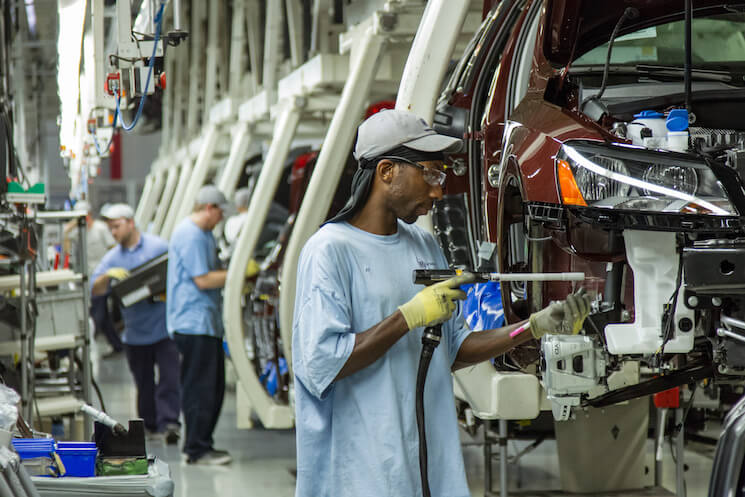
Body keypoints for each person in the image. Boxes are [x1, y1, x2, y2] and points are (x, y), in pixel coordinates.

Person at [292, 109, 591, 497]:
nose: (437, 190)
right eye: (430, 174)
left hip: (425, 466)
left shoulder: (423, 245)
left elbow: (452, 349)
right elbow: (322, 363)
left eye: (441, 176)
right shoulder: (329, 252)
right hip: (359, 471)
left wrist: (532, 327)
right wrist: (408, 316)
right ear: (386, 172)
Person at [91, 203, 181, 444]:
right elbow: (95, 289)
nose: (114, 233)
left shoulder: (158, 247)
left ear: (131, 223)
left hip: (164, 328)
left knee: (170, 379)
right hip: (135, 333)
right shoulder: (112, 258)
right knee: (144, 384)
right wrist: (107, 277)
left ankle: (170, 423)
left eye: (117, 227)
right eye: (110, 229)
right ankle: (150, 426)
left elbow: (178, 275)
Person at [166, 185, 232, 465]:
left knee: (212, 386)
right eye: (220, 213)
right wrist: (238, 273)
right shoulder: (191, 235)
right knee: (201, 388)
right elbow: (203, 280)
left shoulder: (204, 234)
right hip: (194, 323)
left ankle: (201, 444)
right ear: (208, 208)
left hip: (205, 322)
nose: (222, 219)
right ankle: (196, 449)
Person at [64, 200, 122, 356]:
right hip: (87, 278)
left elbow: (113, 248)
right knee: (103, 315)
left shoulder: (101, 229)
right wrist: (67, 231)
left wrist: (112, 272)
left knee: (98, 313)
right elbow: (66, 250)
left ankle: (89, 346)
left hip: (102, 277)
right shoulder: (77, 231)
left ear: (89, 215)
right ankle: (117, 346)